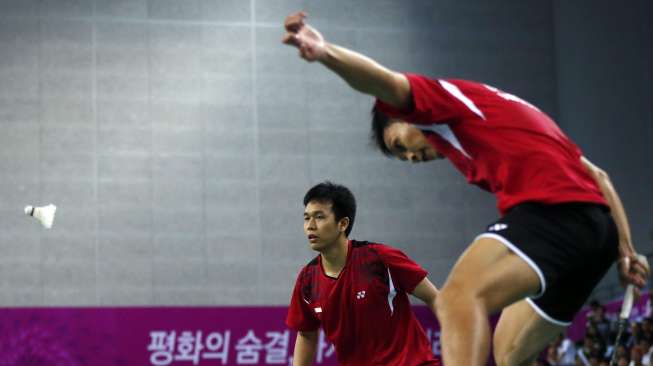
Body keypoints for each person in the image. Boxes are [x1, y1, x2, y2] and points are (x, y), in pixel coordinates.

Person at [281, 11, 650, 366]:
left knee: (456, 299)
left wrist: (325, 52)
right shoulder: (499, 116)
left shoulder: (441, 102)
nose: (410, 157)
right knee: (509, 353)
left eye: (400, 145)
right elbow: (598, 177)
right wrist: (626, 251)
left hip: (555, 215)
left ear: (406, 115)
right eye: (401, 157)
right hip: (594, 236)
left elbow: (385, 82)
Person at [286, 182, 440, 365]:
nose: (310, 226)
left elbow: (436, 298)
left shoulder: (380, 258)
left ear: (343, 223)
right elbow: (306, 334)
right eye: (306, 218)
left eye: (319, 217)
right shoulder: (308, 280)